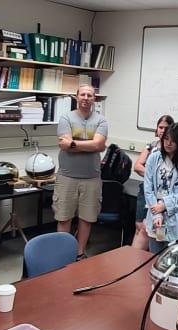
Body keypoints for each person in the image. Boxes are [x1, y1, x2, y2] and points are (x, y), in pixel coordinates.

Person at [56, 84, 108, 260]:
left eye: (90, 95)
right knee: (64, 217)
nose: (86, 98)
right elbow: (65, 144)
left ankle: (79, 254)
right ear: (76, 97)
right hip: (66, 177)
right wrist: (91, 145)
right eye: (83, 94)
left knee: (86, 218)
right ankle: (63, 255)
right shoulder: (66, 117)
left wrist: (73, 144)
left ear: (94, 99)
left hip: (91, 178)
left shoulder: (101, 120)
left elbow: (99, 145)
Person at [142, 123, 178, 254]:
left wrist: (165, 204)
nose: (168, 143)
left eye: (173, 141)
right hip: (157, 219)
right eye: (166, 139)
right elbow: (148, 188)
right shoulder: (154, 158)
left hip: (177, 219)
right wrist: (157, 212)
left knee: (173, 260)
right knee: (155, 257)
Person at [133, 114, 174, 251]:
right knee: (140, 227)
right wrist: (152, 177)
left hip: (162, 197)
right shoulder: (151, 146)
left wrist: (153, 178)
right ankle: (133, 260)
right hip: (146, 191)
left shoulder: (173, 150)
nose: (162, 130)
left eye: (166, 128)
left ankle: (155, 257)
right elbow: (138, 166)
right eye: (160, 127)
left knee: (155, 230)